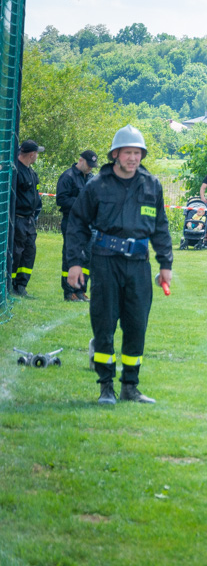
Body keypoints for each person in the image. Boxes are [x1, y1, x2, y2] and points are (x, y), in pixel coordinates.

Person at [66, 125, 173, 405]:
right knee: (104, 324)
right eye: (128, 153)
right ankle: (105, 387)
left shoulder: (152, 185)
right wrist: (74, 263)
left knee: (137, 325)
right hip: (105, 262)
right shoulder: (97, 185)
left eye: (137, 153)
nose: (133, 158)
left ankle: (130, 387)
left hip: (139, 264)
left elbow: (160, 228)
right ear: (115, 154)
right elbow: (77, 223)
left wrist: (166, 264)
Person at [57, 150, 97, 302]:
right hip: (72, 223)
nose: (90, 168)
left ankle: (80, 290)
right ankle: (69, 292)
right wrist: (81, 204)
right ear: (80, 160)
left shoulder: (92, 179)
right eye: (89, 165)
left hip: (89, 224)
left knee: (87, 257)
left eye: (93, 166)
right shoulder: (68, 177)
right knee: (71, 257)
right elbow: (61, 200)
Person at [10, 140, 44, 298]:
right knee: (16, 252)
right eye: (37, 153)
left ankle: (21, 286)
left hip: (29, 220)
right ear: (32, 154)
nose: (37, 156)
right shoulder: (15, 171)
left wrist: (36, 211)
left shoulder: (32, 173)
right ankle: (9, 284)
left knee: (29, 251)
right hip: (17, 219)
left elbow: (36, 195)